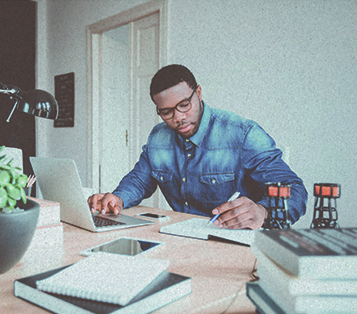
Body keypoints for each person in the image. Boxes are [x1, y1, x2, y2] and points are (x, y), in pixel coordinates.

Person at [88, 64, 307, 230]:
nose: (179, 118)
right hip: (181, 237)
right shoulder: (158, 137)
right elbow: (139, 180)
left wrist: (263, 211)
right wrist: (118, 198)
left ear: (199, 93)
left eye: (184, 105)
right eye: (167, 112)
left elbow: (295, 190)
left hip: (234, 243)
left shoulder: (243, 134)